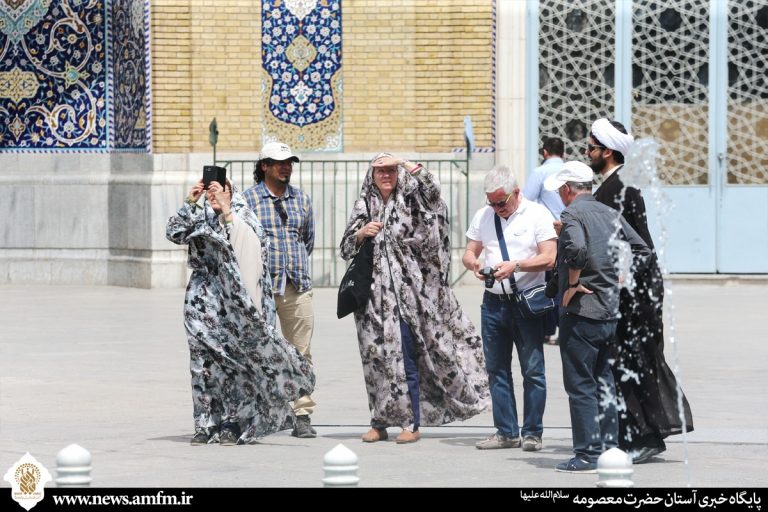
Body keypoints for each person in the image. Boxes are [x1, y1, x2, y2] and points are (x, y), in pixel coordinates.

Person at [340, 153, 490, 444]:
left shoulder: (410, 200)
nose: (385, 175)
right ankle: (379, 421)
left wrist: (407, 163)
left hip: (408, 296)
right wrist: (361, 233)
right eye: (380, 171)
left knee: (405, 355)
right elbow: (345, 248)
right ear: (371, 176)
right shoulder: (364, 205)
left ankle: (411, 423)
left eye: (390, 170)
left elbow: (435, 198)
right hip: (371, 299)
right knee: (375, 359)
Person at [166, 177, 315, 445]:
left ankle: (233, 423)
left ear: (231, 192)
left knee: (235, 366)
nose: (213, 193)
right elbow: (174, 232)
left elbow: (250, 249)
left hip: (235, 304)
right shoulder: (199, 218)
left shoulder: (243, 215)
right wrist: (191, 201)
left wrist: (227, 212)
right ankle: (204, 423)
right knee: (203, 365)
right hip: (202, 301)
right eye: (210, 188)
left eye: (220, 189)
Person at [588, 118, 694, 464]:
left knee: (639, 361)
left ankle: (650, 436)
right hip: (630, 291)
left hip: (636, 293)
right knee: (625, 362)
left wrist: (623, 288)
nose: (587, 152)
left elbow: (638, 248)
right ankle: (633, 434)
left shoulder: (619, 188)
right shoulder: (612, 185)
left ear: (607, 151)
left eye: (591, 146)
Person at [543, 161, 652, 472]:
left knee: (580, 384)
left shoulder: (572, 214)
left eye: (560, 192)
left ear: (567, 190)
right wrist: (620, 277)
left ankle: (588, 454)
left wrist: (574, 283)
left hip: (582, 314)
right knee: (603, 380)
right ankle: (607, 448)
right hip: (608, 312)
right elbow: (641, 249)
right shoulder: (608, 212)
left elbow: (576, 251)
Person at [463, 165, 557, 452]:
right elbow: (469, 251)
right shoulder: (484, 215)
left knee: (533, 370)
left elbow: (550, 258)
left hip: (526, 301)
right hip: (493, 303)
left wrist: (516, 265)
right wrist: (473, 264)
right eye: (491, 202)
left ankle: (532, 432)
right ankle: (506, 431)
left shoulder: (538, 214)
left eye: (501, 202)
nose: (496, 207)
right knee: (496, 370)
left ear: (516, 192)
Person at [243, 141, 318, 439]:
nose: (286, 167)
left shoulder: (301, 199)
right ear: (264, 166)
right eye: (279, 162)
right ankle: (259, 411)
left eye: (290, 162)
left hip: (296, 286)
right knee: (258, 351)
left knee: (301, 352)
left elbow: (307, 240)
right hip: (261, 288)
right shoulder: (247, 200)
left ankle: (302, 414)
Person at [523, 136, 566, 345]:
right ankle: (560, 328)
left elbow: (526, 200)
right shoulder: (569, 171)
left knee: (548, 282)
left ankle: (549, 328)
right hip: (569, 232)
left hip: (548, 235)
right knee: (564, 280)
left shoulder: (539, 173)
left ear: (545, 152)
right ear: (563, 153)